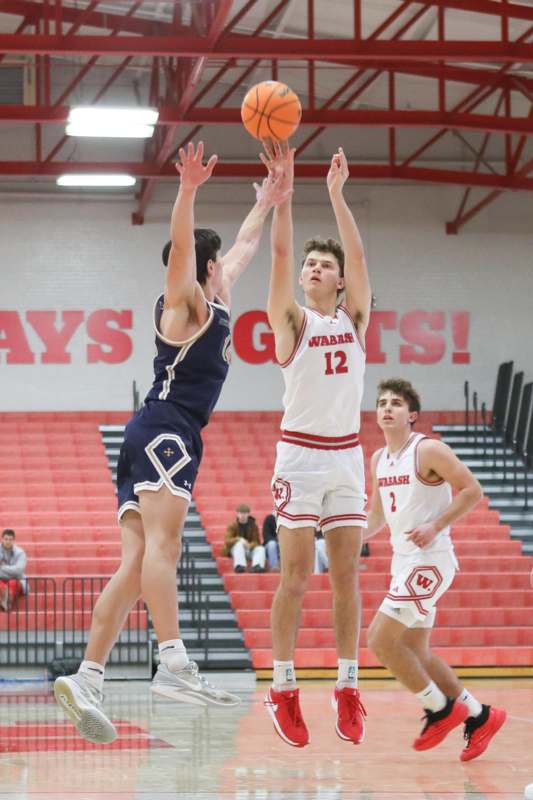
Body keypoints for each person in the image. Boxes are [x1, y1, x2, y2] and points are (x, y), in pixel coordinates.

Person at [54, 141, 288, 745]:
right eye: (209, 264)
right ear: (201, 269)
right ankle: (173, 661)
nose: (219, 268)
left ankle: (87, 676)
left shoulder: (217, 294)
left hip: (152, 431)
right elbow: (185, 248)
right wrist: (186, 190)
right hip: (167, 428)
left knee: (135, 566)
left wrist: (267, 201)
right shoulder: (183, 305)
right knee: (166, 547)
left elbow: (241, 249)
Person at [261, 141, 371, 747]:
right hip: (300, 456)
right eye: (310, 266)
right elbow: (280, 252)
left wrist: (335, 195)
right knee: (297, 575)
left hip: (347, 455)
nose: (314, 269)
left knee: (347, 575)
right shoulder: (293, 322)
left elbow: (356, 253)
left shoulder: (355, 317)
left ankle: (348, 685)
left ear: (340, 280)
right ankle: (282, 688)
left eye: (324, 266)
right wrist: (285, 195)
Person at [365, 378, 507, 761]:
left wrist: (435, 525)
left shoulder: (427, 449)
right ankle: (481, 717)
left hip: (430, 561)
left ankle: (439, 708)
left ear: (412, 415)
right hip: (403, 561)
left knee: (378, 640)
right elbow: (377, 515)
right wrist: (344, 536)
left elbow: (472, 490)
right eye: (382, 403)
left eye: (396, 403)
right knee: (415, 651)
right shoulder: (379, 459)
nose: (387, 408)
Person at [223, 504, 266, 573]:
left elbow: (257, 541)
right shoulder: (232, 525)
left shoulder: (253, 525)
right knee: (239, 544)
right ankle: (240, 566)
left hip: (249, 549)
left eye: (245, 513)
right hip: (235, 550)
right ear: (237, 514)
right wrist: (239, 539)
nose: (242, 515)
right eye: (240, 513)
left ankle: (257, 566)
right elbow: (227, 541)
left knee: (261, 548)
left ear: (248, 514)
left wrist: (249, 545)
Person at [0, 529, 27, 611]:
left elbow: (19, 571)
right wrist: (13, 571)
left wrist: (2, 567)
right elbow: (16, 571)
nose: (8, 541)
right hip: (2, 580)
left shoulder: (20, 553)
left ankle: (6, 598)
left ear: (13, 540)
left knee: (13, 582)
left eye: (10, 539)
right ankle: (6, 598)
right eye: (6, 539)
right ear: (2, 539)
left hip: (17, 580)